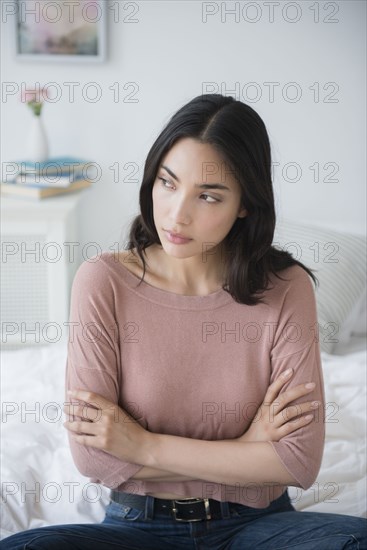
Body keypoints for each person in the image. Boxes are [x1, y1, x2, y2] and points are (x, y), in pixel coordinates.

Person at [1, 94, 366, 549]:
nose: (177, 214)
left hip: (258, 525)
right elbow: (94, 458)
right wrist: (250, 450)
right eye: (168, 183)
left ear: (246, 204)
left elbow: (296, 463)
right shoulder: (103, 282)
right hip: (137, 526)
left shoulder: (286, 287)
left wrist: (141, 446)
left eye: (208, 195)